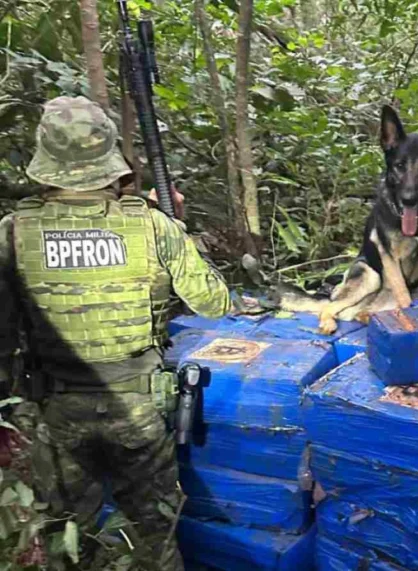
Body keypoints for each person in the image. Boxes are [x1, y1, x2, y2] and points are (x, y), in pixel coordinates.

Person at [0, 96, 230, 570]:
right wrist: (177, 232)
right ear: (109, 156)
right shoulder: (152, 226)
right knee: (155, 539)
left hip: (55, 408)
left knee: (68, 538)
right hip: (138, 408)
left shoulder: (13, 232)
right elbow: (215, 302)